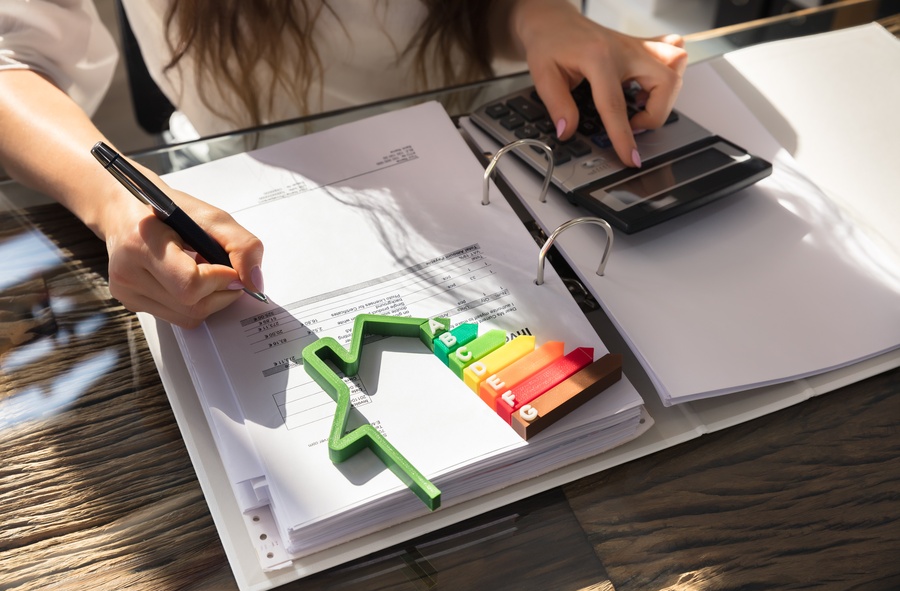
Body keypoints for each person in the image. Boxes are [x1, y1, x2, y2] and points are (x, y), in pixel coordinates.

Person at [0, 0, 687, 328]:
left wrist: (536, 14)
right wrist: (113, 198)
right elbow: (10, 52)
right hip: (241, 178)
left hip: (484, 161)